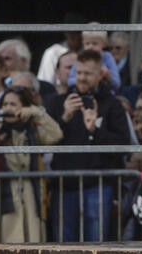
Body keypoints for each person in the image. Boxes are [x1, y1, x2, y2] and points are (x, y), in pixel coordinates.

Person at [45, 49, 131, 241]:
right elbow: (45, 141)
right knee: (64, 244)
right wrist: (65, 118)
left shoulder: (112, 104)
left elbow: (123, 145)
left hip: (98, 184)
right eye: (79, 72)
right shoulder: (58, 103)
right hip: (64, 184)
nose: (82, 78)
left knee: (96, 242)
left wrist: (95, 130)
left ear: (100, 74)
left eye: (88, 73)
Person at [0, 85, 63, 243]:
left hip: (31, 197)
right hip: (3, 200)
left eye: (13, 104)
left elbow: (55, 135)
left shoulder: (32, 131)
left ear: (24, 107)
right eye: (5, 104)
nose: (8, 108)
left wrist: (36, 112)